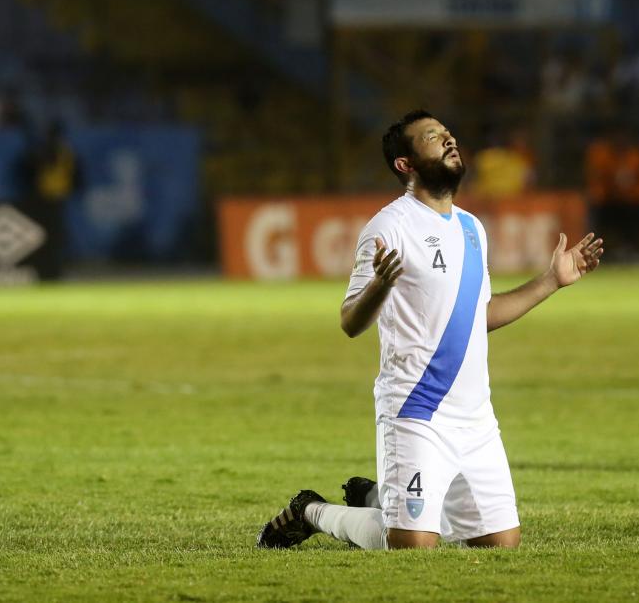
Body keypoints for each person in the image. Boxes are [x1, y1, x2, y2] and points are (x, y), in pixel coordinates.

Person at [256, 109, 603, 550]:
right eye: (433, 137)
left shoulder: (471, 228)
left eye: (448, 133)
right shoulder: (390, 226)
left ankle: (376, 495)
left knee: (502, 546)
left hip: (476, 417)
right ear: (406, 164)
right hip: (416, 410)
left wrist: (552, 280)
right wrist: (380, 286)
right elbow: (350, 322)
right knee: (412, 546)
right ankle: (313, 511)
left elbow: (479, 319)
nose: (449, 139)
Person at [584, 122, 639, 259]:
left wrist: (631, 194)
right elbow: (597, 179)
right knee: (598, 214)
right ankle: (604, 253)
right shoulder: (601, 153)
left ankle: (636, 251)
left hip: (632, 202)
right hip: (609, 201)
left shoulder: (637, 155)